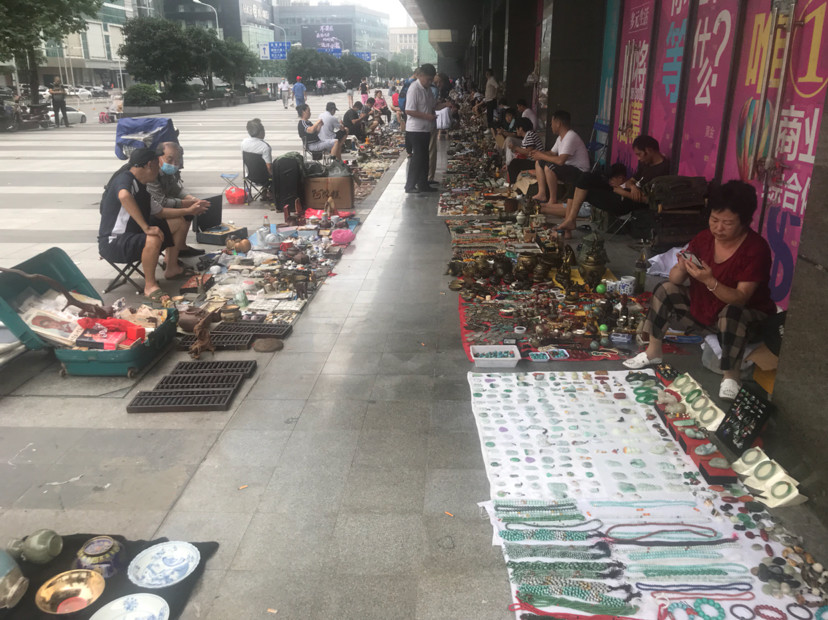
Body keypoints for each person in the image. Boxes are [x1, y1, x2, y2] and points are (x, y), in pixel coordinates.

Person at [623, 181, 777, 400]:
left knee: (731, 312)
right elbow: (676, 279)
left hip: (746, 319)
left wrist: (710, 281)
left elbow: (741, 298)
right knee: (665, 289)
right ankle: (653, 352)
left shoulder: (756, 248)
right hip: (706, 309)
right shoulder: (704, 238)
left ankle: (731, 376)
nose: (718, 228)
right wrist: (681, 267)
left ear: (744, 222)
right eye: (714, 220)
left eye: (727, 223)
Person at [97, 148, 208, 302]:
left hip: (132, 236)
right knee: (153, 236)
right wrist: (146, 227)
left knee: (178, 221)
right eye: (157, 164)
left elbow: (160, 212)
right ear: (150, 164)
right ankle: (150, 286)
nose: (159, 169)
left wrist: (189, 210)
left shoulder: (142, 186)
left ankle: (172, 267)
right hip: (114, 242)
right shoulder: (125, 179)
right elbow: (124, 195)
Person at [549, 134, 670, 236]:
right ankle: (570, 221)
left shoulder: (662, 171)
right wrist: (632, 187)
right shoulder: (646, 163)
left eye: (639, 154)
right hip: (620, 191)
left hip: (624, 202)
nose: (638, 158)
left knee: (586, 190)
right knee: (585, 177)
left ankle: (569, 223)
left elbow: (648, 200)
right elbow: (630, 181)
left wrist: (621, 192)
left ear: (648, 150)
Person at [146, 142, 209, 271]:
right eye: (170, 159)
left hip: (158, 207)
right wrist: (187, 205)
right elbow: (161, 202)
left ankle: (180, 247)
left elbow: (177, 190)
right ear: (159, 156)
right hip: (149, 214)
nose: (174, 163)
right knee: (180, 218)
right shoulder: (151, 172)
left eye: (178, 160)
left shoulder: (169, 171)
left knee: (189, 212)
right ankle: (170, 262)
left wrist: (192, 199)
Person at [531, 110, 590, 208]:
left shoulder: (570, 137)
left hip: (581, 173)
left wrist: (541, 155)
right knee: (539, 162)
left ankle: (552, 200)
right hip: (569, 168)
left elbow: (560, 160)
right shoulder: (560, 138)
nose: (551, 126)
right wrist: (538, 153)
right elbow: (551, 153)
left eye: (552, 123)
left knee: (549, 167)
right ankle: (542, 194)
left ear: (558, 124)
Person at [506, 118, 544, 184]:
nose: (516, 131)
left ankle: (514, 184)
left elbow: (528, 151)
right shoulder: (528, 135)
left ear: (520, 128)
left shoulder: (530, 134)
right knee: (513, 162)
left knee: (514, 163)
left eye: (516, 129)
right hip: (533, 161)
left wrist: (515, 147)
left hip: (537, 162)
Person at [483, 69, 499, 137]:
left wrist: (495, 95)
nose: (486, 75)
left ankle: (490, 128)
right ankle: (490, 128)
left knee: (490, 115)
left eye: (487, 73)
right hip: (489, 100)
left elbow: (497, 86)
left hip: (491, 100)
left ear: (489, 74)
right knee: (489, 114)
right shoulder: (489, 80)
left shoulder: (492, 79)